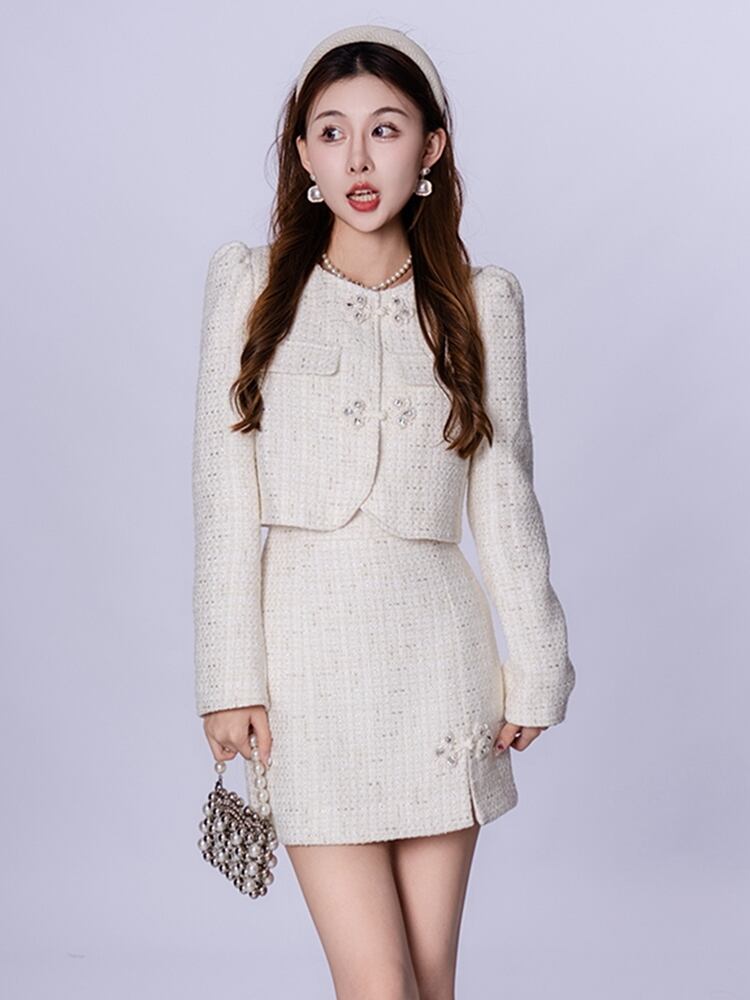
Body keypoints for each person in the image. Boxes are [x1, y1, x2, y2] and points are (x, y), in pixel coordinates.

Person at [191, 23, 576, 1000]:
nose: (357, 159)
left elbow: (505, 496)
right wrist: (227, 677)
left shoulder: (480, 302)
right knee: (377, 983)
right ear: (303, 152)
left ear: (431, 147)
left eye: (386, 129)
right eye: (331, 132)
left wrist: (536, 667)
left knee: (430, 982)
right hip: (304, 674)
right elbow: (221, 496)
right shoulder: (250, 287)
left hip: (440, 668)